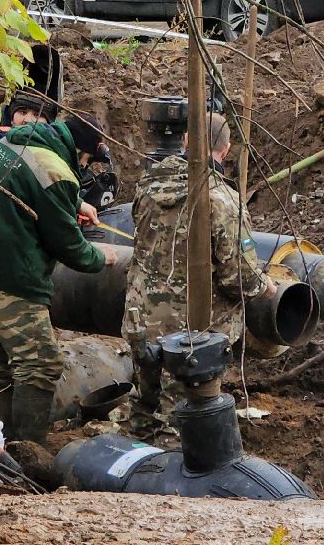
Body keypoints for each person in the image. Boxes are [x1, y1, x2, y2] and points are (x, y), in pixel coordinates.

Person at [0, 115, 121, 446]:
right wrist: (102, 257)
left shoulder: (23, 139)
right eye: (86, 161)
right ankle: (28, 449)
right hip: (8, 269)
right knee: (40, 364)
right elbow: (68, 246)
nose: (84, 167)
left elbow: (28, 181)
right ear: (81, 151)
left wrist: (75, 202)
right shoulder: (56, 171)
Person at [123, 112, 278, 444]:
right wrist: (265, 286)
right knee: (180, 415)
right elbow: (238, 278)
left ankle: (134, 461)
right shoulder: (220, 199)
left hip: (143, 318)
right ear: (226, 149)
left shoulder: (149, 185)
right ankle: (171, 470)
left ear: (185, 141)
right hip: (193, 334)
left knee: (144, 403)